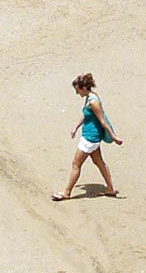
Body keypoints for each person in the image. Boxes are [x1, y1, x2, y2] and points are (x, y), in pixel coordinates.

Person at [52, 72, 122, 200]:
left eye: (77, 90)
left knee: (76, 164)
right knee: (99, 162)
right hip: (92, 138)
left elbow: (102, 121)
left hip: (90, 138)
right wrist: (76, 127)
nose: (77, 93)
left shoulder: (94, 102)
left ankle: (66, 192)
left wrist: (114, 137)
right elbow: (86, 114)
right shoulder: (90, 97)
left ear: (83, 88)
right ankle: (111, 189)